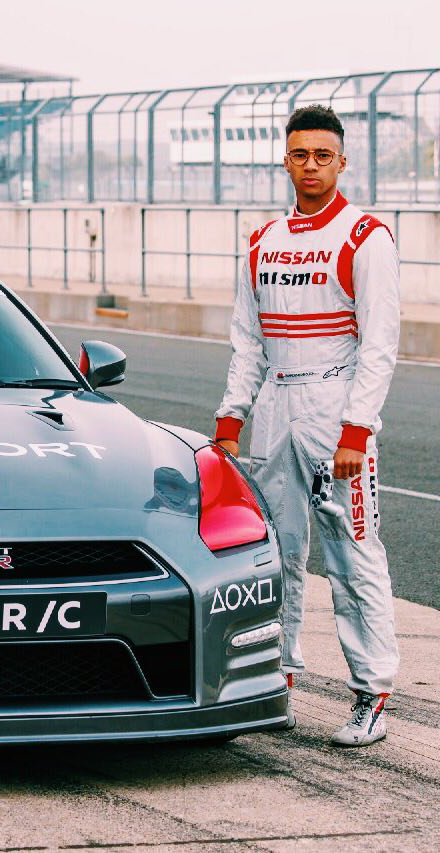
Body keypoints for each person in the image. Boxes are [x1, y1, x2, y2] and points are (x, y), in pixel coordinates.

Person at [213, 104, 400, 747]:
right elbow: (248, 341)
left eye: (323, 155)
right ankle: (277, 678)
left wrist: (357, 431)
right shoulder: (263, 241)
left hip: (335, 406)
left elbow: (380, 344)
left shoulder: (365, 236)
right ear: (285, 160)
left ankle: (372, 692)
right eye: (300, 155)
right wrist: (231, 420)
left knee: (353, 552)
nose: (311, 165)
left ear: (342, 161)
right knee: (277, 552)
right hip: (275, 408)